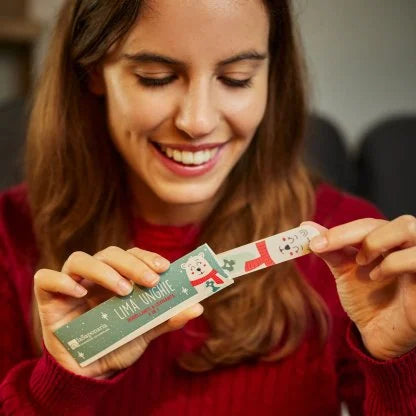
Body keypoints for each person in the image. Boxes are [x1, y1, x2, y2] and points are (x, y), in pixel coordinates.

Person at [0, 0, 415, 414]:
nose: (197, 122)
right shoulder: (9, 235)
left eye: (237, 79)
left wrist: (401, 364)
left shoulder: (349, 249)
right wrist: (57, 387)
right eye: (156, 78)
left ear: (272, 76)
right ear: (92, 71)